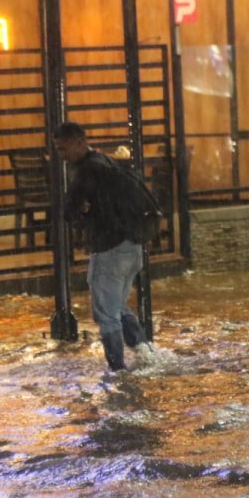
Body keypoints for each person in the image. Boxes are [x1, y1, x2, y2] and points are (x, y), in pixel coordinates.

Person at [55, 122, 155, 373]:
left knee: (106, 314)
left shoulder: (86, 172)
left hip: (110, 249)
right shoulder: (107, 163)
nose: (61, 155)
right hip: (132, 246)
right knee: (117, 307)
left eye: (63, 148)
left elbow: (69, 211)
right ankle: (145, 352)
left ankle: (118, 370)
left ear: (79, 143)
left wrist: (82, 218)